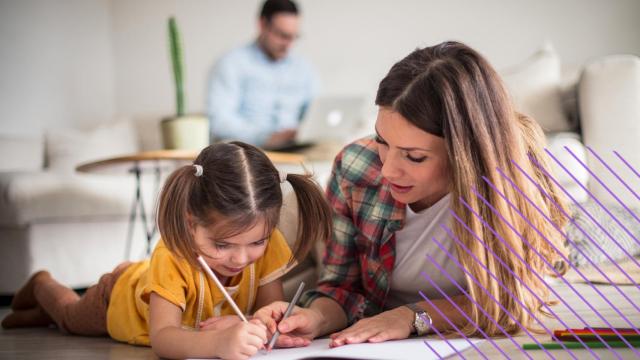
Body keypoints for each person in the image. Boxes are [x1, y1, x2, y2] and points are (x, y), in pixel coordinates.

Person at [254, 41, 575, 347]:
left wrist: (413, 317)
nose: (389, 170)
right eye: (382, 141)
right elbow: (342, 288)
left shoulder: (515, 179)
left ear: (464, 152)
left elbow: (516, 299)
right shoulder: (355, 167)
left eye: (414, 156)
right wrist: (314, 318)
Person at [1, 141, 332, 359]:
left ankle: (33, 316)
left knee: (43, 322)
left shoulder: (267, 244)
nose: (242, 258)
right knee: (69, 318)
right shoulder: (172, 255)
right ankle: (42, 282)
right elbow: (163, 337)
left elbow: (266, 309)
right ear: (191, 223)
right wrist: (219, 342)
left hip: (151, 290)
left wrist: (264, 324)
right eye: (222, 244)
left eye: (256, 242)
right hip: (116, 299)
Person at [207, 0, 319, 149]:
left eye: (293, 37)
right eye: (282, 35)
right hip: (249, 154)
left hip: (295, 152)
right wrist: (265, 138)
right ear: (262, 25)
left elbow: (315, 111)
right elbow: (219, 122)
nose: (288, 44)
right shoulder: (231, 63)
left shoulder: (303, 68)